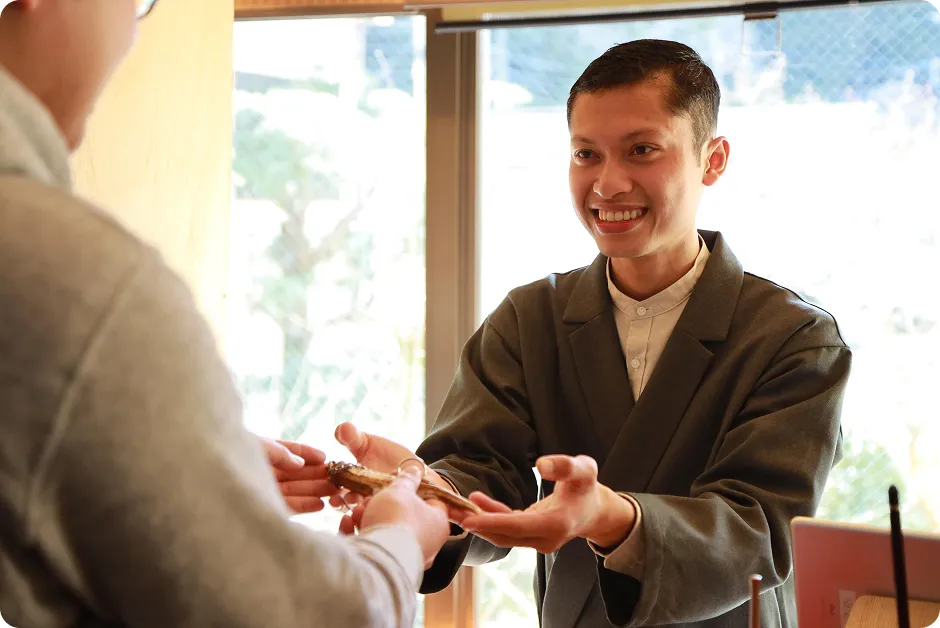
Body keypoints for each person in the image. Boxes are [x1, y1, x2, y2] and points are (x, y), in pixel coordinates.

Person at [296, 40, 851, 627]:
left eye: (642, 150)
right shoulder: (529, 318)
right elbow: (481, 471)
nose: (608, 184)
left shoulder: (795, 338)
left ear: (712, 159)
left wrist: (610, 515)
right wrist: (426, 487)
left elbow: (759, 529)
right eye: (586, 154)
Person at [0, 1, 449, 627]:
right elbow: (296, 617)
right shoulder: (82, 279)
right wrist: (401, 541)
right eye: (137, 2)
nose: (133, 31)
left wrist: (168, 466)